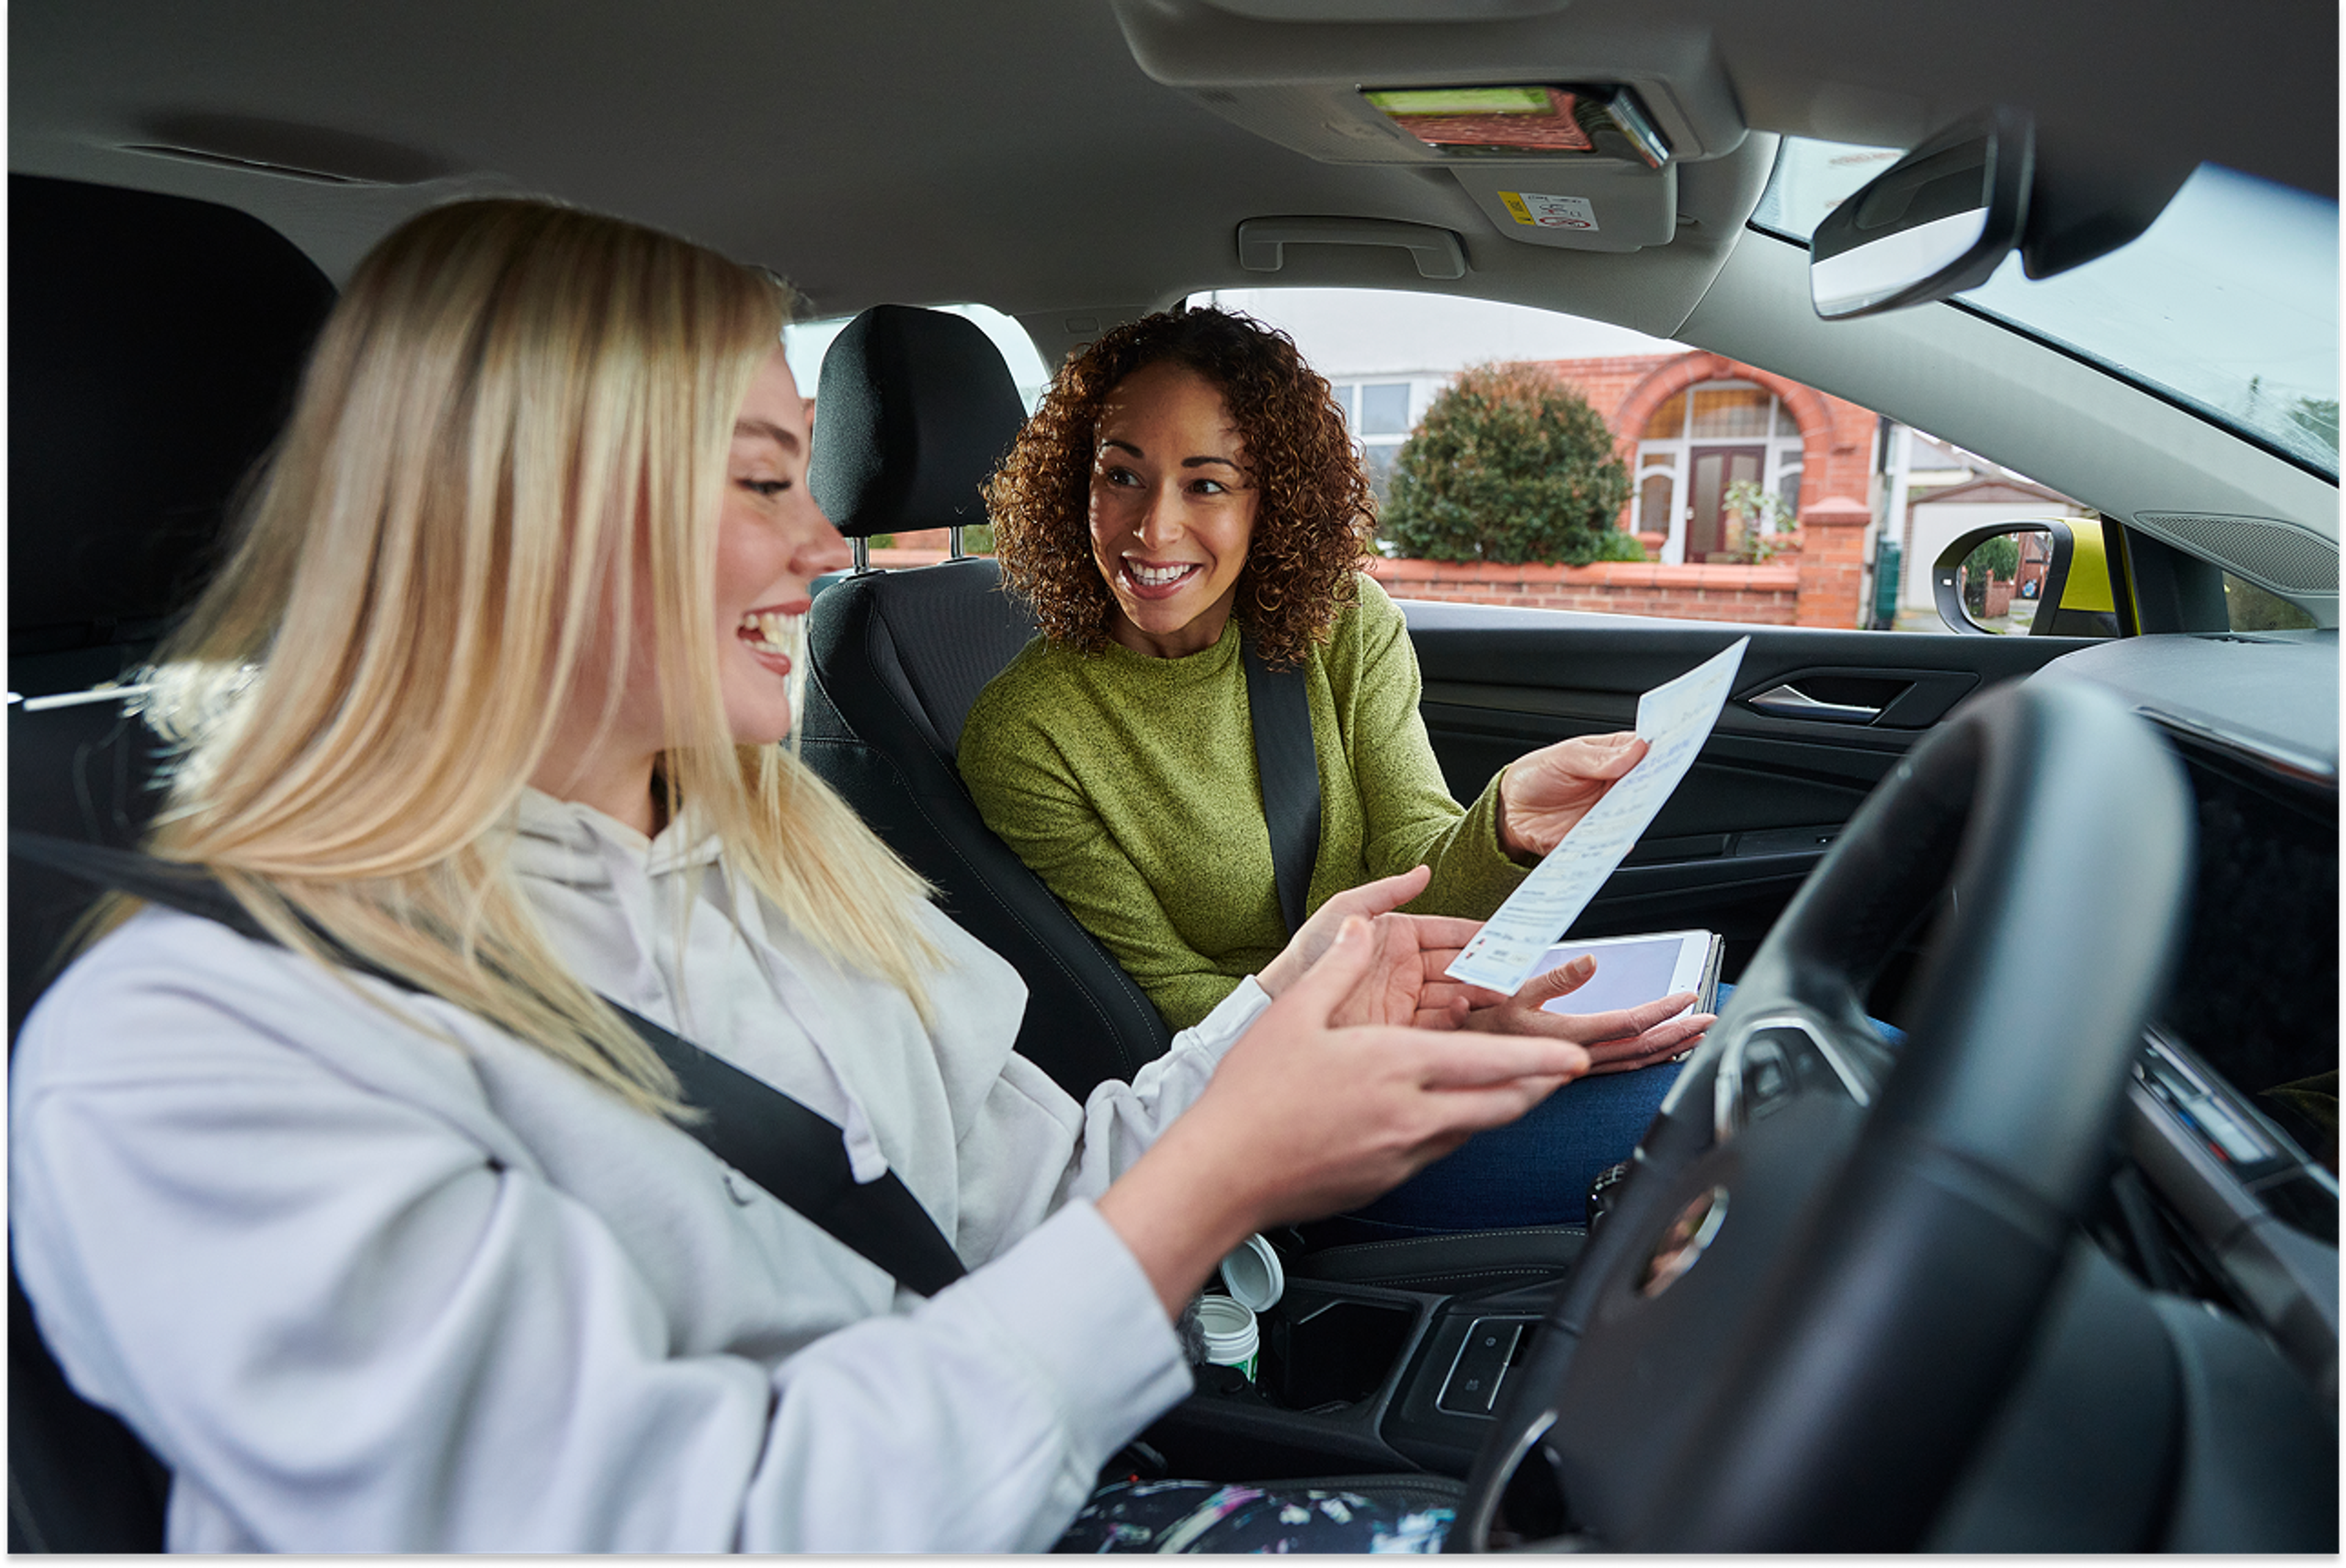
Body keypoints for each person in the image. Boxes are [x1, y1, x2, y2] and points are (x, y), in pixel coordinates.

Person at [960, 306, 1708, 1231]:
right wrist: (1458, 1040)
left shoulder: (1344, 625)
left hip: (1420, 1023)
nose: (1154, 528)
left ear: (1269, 497)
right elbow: (1160, 1007)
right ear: (1075, 484)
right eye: (1122, 476)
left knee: (1788, 1050)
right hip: (1279, 1111)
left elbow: (1416, 866)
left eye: (1207, 484)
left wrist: (1506, 823)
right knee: (1747, 1129)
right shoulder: (1026, 732)